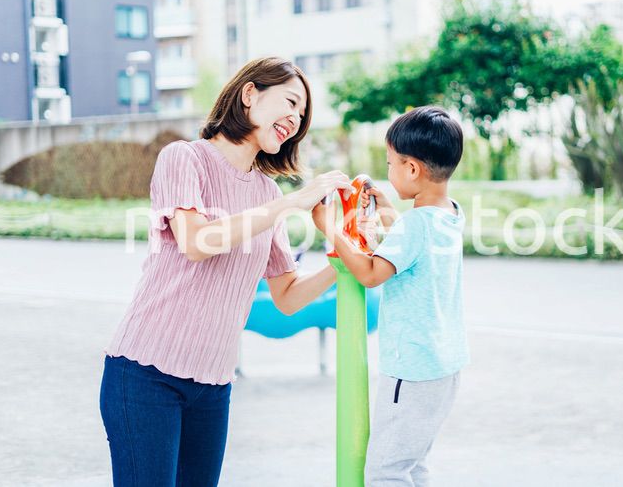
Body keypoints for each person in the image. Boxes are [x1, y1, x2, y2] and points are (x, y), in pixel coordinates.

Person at [99, 57, 352, 486]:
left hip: (213, 386)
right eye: (290, 102)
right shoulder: (184, 158)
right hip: (145, 376)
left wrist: (344, 257)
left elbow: (288, 297)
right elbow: (197, 242)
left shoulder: (267, 192)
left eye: (302, 114)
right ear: (250, 93)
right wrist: (291, 203)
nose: (295, 119)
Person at [312, 105, 469, 486]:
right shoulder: (450, 214)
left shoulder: (414, 225)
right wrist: (386, 213)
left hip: (411, 373)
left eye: (390, 163)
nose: (388, 171)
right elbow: (414, 251)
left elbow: (370, 274)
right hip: (442, 368)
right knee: (413, 465)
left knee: (386, 471)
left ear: (412, 168)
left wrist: (330, 229)